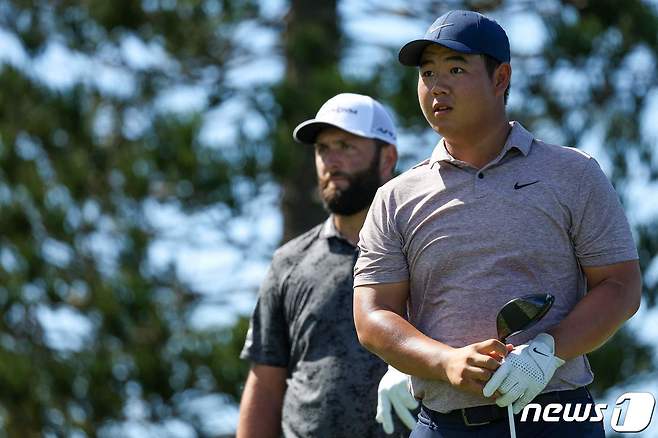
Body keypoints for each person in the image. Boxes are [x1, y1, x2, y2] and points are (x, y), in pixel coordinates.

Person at [353, 10, 642, 438]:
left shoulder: (573, 173)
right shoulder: (395, 198)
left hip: (556, 418)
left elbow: (620, 286)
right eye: (427, 73)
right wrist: (441, 361)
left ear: (500, 79)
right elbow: (373, 314)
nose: (437, 86)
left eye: (455, 68)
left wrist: (548, 351)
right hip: (443, 423)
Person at [237, 93, 418, 437]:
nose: (330, 160)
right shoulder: (288, 263)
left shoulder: (422, 251)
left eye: (346, 146)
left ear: (387, 158)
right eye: (322, 149)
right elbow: (265, 382)